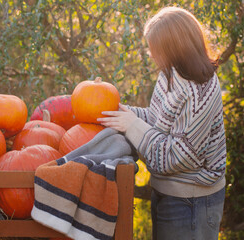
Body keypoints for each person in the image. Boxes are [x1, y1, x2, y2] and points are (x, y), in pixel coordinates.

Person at [97, 6, 226, 240]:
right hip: (168, 192)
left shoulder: (200, 92)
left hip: (192, 202)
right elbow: (158, 121)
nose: (152, 55)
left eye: (156, 50)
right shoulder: (171, 72)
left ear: (175, 49)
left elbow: (175, 157)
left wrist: (132, 125)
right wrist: (124, 113)